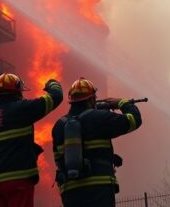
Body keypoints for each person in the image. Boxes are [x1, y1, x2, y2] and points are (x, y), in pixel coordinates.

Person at [52, 77, 142, 207]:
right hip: (99, 190)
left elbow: (58, 159)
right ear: (92, 99)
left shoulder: (58, 126)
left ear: (72, 101)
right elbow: (134, 120)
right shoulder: (100, 118)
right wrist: (122, 103)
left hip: (70, 192)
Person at [0, 73, 63, 207]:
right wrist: (52, 84)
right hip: (18, 180)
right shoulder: (21, 109)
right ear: (17, 93)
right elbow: (56, 97)